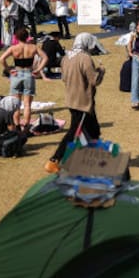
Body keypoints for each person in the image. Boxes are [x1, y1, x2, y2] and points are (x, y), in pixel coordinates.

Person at [47, 33, 103, 173]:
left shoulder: (66, 58)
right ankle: (54, 160)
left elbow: (64, 78)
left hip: (71, 99)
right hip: (83, 102)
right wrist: (101, 71)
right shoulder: (85, 58)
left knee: (94, 131)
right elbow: (94, 80)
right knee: (73, 132)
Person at [0, 26, 47, 130]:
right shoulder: (33, 47)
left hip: (17, 74)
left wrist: (8, 69)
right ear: (27, 37)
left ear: (16, 37)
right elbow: (45, 58)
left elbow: (1, 59)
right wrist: (38, 69)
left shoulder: (13, 48)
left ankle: (16, 125)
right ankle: (26, 126)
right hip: (29, 74)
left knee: (16, 104)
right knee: (27, 104)